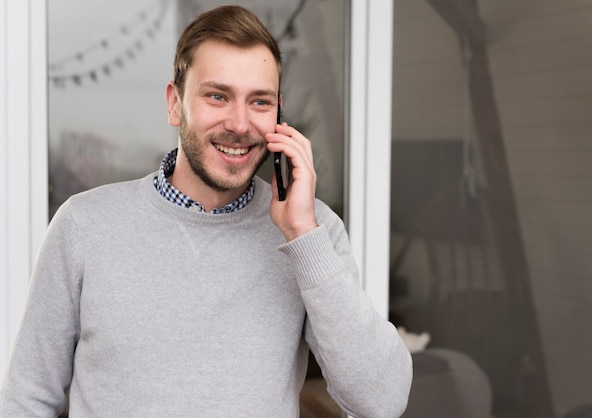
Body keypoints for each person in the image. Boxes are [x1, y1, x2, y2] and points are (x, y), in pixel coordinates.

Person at [0, 5, 412, 417]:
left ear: (279, 116)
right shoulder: (82, 226)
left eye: (260, 102)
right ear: (175, 104)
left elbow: (382, 401)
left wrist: (303, 233)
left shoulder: (313, 234)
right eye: (217, 95)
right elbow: (27, 400)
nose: (239, 123)